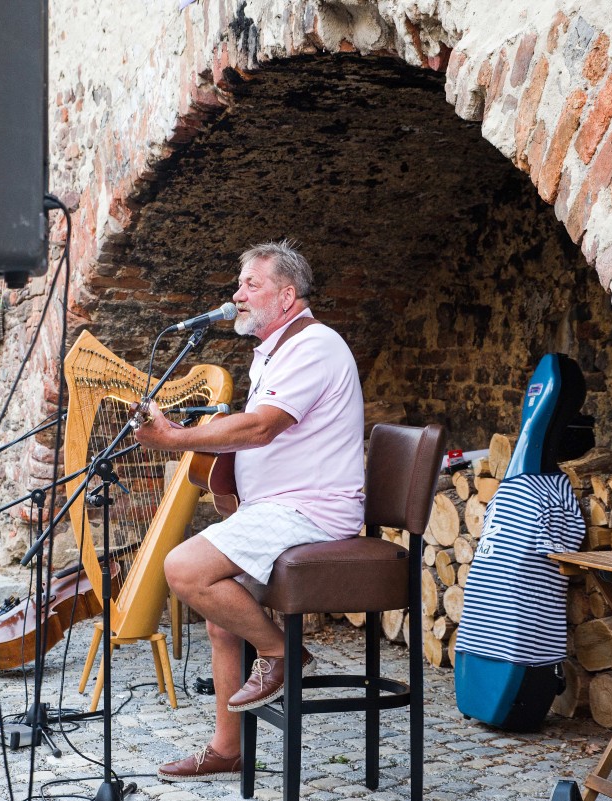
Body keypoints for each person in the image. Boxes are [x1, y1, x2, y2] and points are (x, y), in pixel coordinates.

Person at [131, 240, 366, 781]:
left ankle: (282, 653)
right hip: (280, 507)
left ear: (286, 296)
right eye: (238, 284)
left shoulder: (314, 345)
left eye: (251, 284)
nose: (236, 294)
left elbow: (262, 427)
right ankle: (228, 749)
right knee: (221, 620)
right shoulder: (276, 350)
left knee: (184, 568)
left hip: (311, 510)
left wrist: (177, 438)